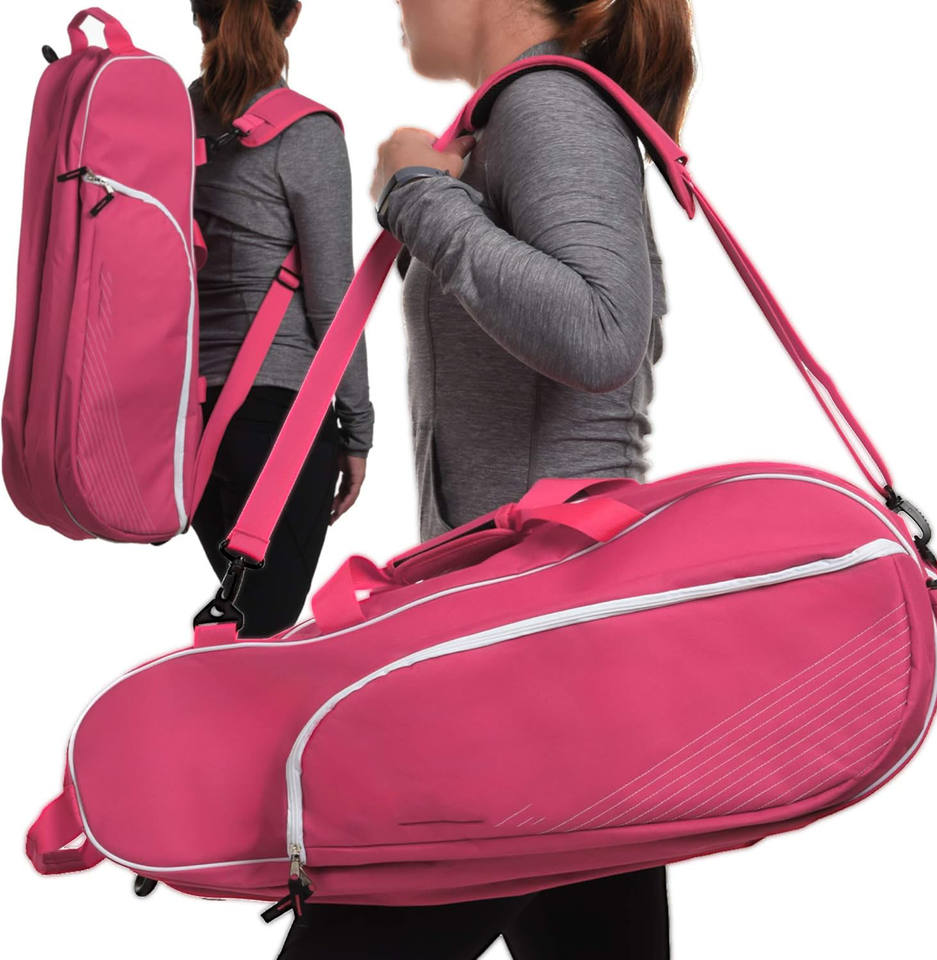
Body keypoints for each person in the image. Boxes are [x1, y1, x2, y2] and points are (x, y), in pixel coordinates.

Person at [277, 0, 695, 956]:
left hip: (529, 658)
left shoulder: (548, 104)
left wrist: (417, 196)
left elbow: (600, 334)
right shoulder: (514, 119)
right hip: (545, 648)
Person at [188, 0, 374, 639]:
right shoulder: (307, 133)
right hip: (280, 417)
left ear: (197, 16)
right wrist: (357, 429)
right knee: (265, 633)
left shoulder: (166, 122)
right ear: (291, 15)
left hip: (188, 422)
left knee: (247, 629)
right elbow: (332, 300)